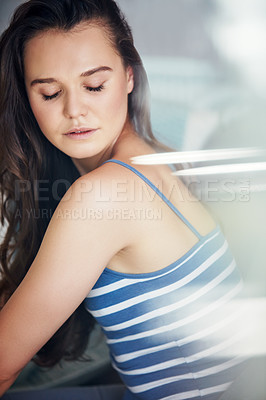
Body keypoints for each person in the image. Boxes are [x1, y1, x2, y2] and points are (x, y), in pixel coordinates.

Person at [0, 0, 247, 399]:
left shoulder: (103, 196)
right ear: (26, 99)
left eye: (94, 86)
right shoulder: (152, 153)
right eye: (49, 93)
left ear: (129, 76)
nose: (74, 110)